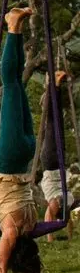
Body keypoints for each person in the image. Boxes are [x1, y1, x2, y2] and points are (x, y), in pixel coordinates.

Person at [0, 7, 51, 273]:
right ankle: (13, 26)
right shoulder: (21, 230)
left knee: (14, 86)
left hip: (17, 156)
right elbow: (9, 266)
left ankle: (13, 26)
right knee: (16, 86)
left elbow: (2, 266)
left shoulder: (22, 229)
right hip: (19, 155)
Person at [40, 71, 74, 241]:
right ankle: (53, 87)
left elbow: (48, 216)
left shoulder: (56, 202)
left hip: (51, 162)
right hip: (57, 163)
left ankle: (53, 85)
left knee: (53, 123)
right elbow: (68, 222)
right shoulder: (66, 203)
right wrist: (70, 236)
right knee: (56, 123)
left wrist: (49, 238)